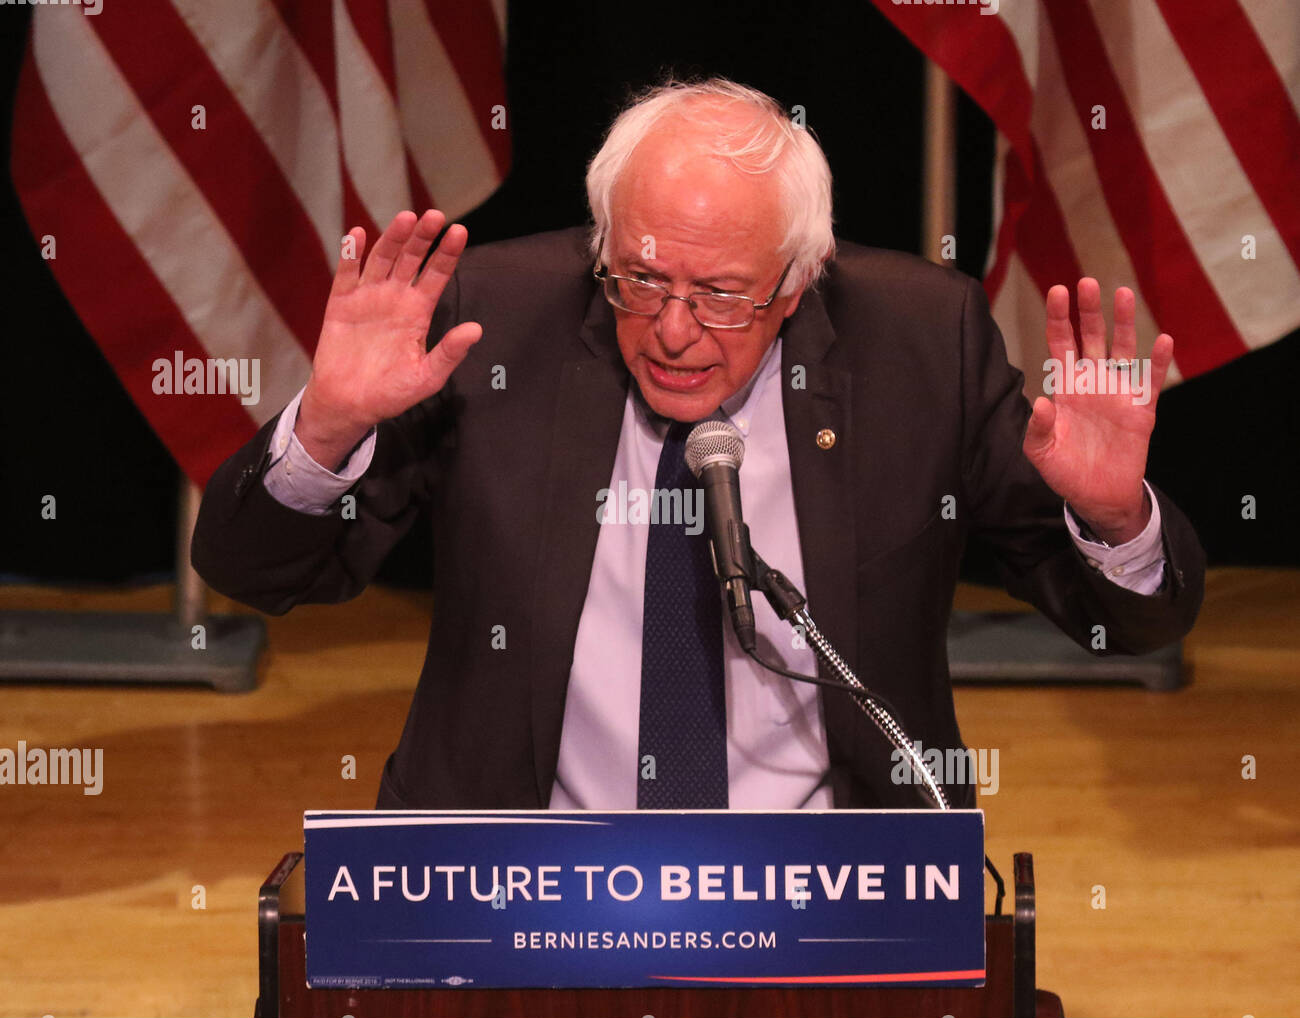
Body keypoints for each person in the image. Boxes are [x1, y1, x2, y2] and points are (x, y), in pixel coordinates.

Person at [192, 78, 1204, 812]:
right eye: (639, 278)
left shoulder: (917, 343)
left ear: (799, 279)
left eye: (721, 293)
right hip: (524, 881)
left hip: (829, 894)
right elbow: (257, 572)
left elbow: (1126, 625)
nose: (673, 329)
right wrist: (327, 426)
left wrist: (1115, 514)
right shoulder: (490, 323)